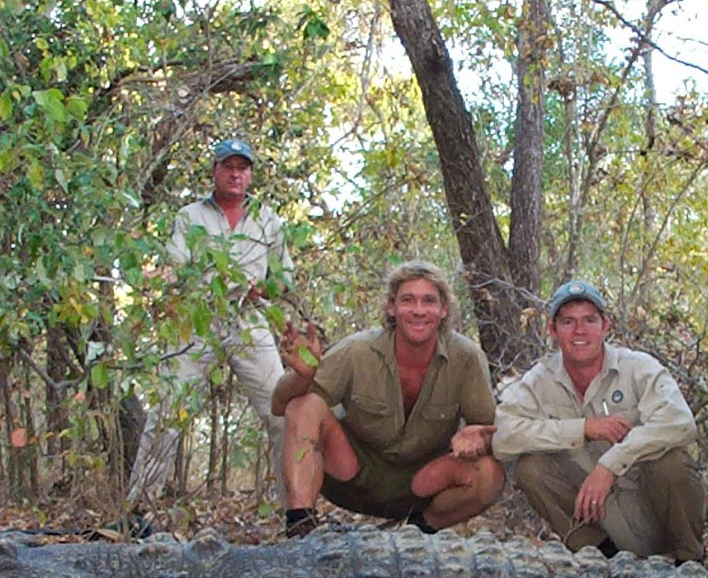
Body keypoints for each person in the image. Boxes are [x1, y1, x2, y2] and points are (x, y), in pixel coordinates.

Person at [273, 260, 504, 538]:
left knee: (490, 473)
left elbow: (490, 432)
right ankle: (300, 528)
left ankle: (417, 532)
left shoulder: (466, 357)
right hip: (353, 477)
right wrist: (301, 377)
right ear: (391, 307)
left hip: (424, 484)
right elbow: (281, 407)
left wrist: (478, 439)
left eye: (429, 301)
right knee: (304, 404)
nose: (419, 311)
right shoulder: (357, 350)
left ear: (443, 309)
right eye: (408, 300)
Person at [127, 138, 293, 511]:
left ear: (250, 174)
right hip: (199, 319)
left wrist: (262, 289)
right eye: (228, 166)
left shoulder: (269, 219)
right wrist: (156, 284)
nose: (236, 174)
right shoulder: (190, 216)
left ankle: (294, 510)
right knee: (169, 409)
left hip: (249, 320)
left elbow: (284, 278)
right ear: (215, 171)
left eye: (243, 168)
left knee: (282, 412)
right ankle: (139, 511)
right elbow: (175, 269)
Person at [494, 280, 706, 563]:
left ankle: (690, 561)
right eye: (568, 321)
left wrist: (610, 464)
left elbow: (680, 423)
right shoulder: (539, 379)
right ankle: (602, 559)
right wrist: (583, 428)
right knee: (530, 467)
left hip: (652, 510)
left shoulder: (639, 367)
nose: (580, 331)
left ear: (606, 326)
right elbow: (504, 436)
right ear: (552, 330)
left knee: (672, 462)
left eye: (589, 320)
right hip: (598, 518)